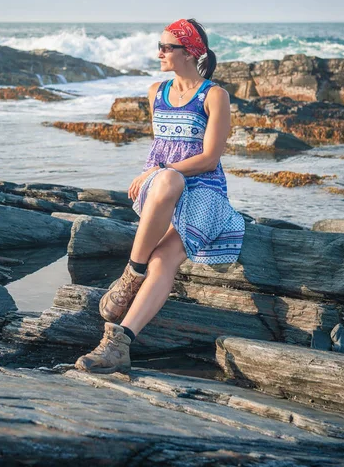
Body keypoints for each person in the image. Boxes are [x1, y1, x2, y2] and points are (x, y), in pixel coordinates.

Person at [75, 18, 245, 374]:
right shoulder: (156, 91)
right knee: (166, 182)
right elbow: (159, 148)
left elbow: (210, 158)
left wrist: (158, 172)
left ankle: (117, 343)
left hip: (204, 191)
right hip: (165, 188)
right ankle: (131, 276)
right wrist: (158, 172)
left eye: (167, 47)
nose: (159, 52)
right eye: (160, 45)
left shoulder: (214, 95)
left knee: (162, 258)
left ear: (190, 52)